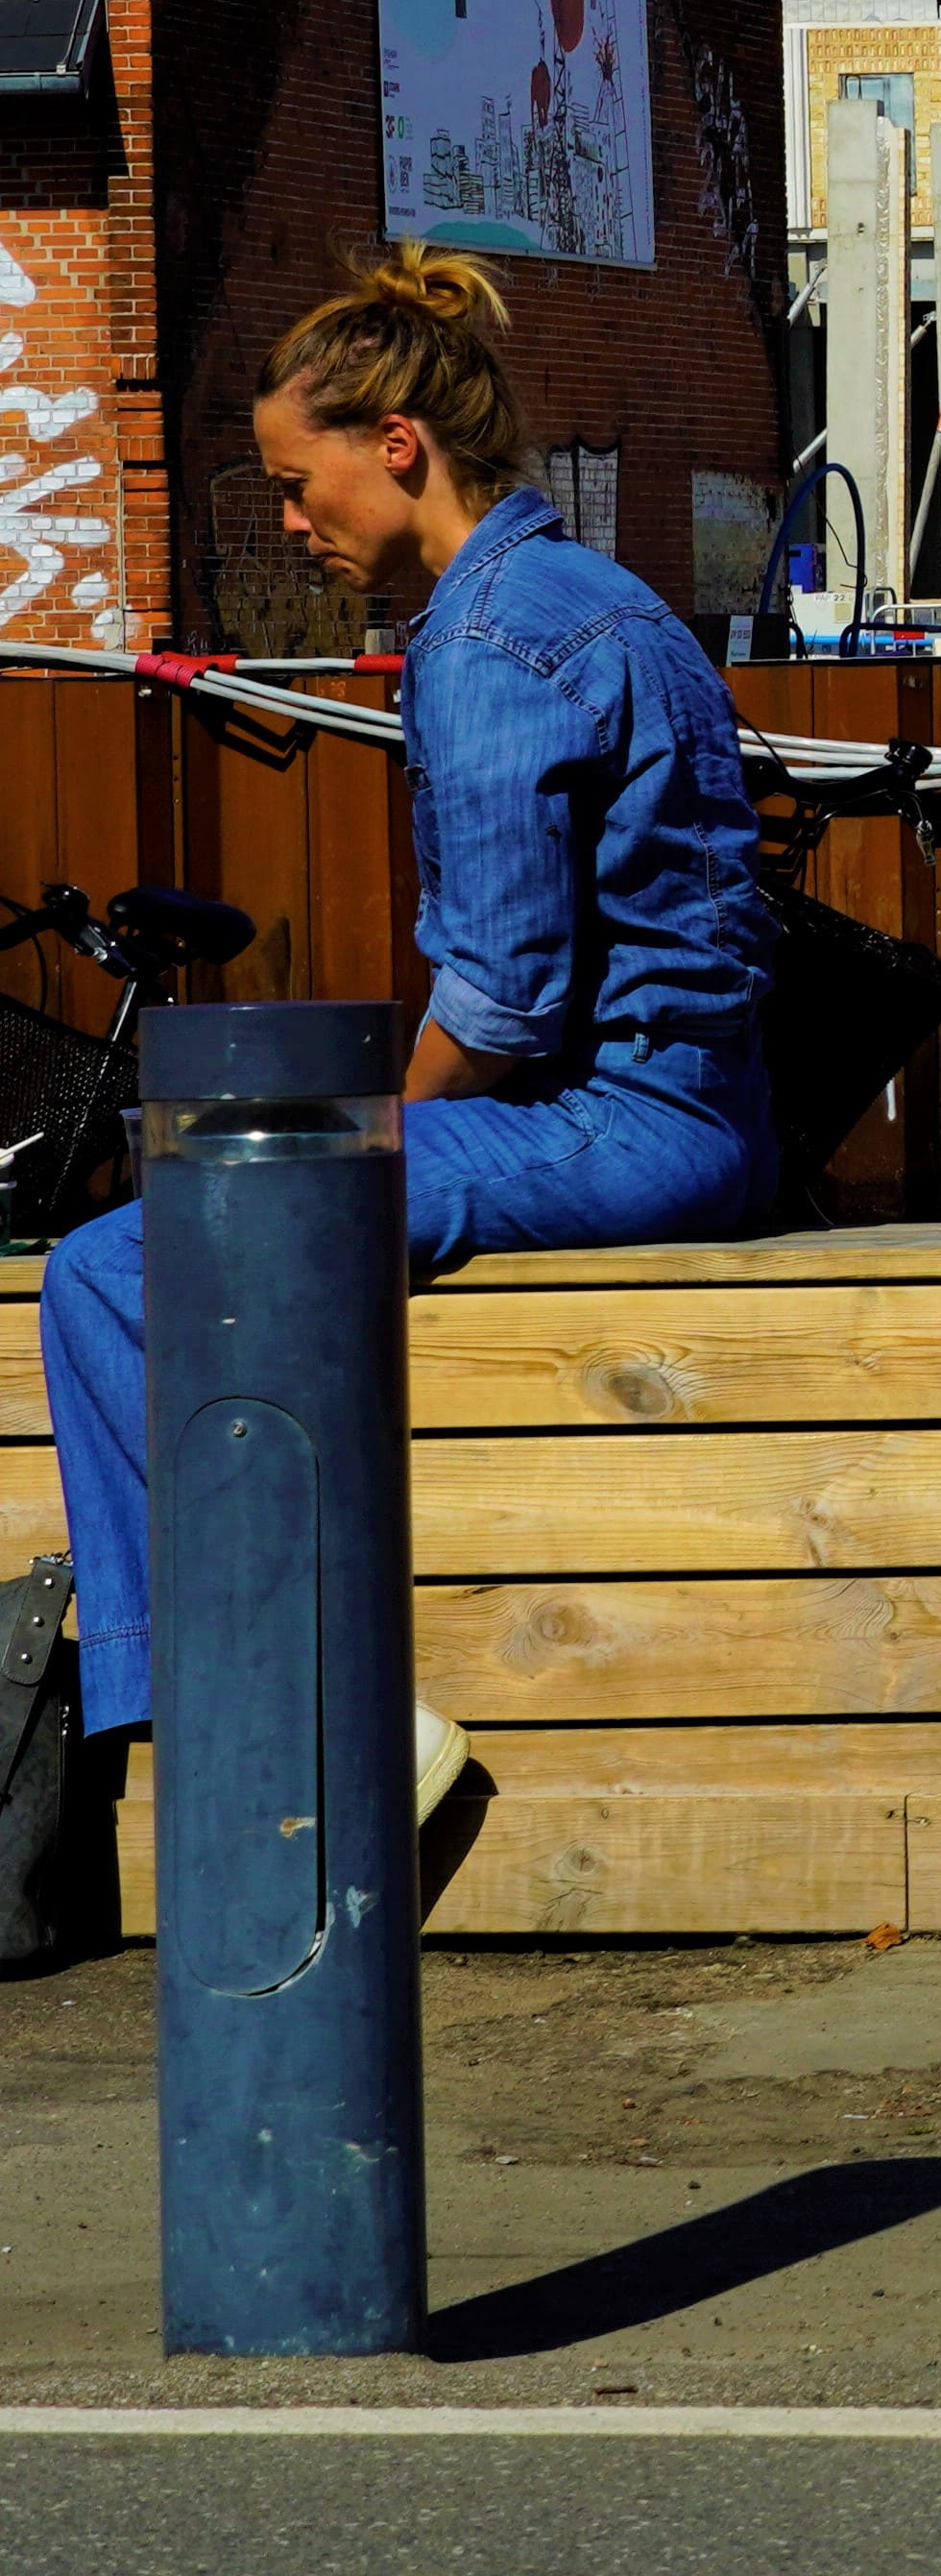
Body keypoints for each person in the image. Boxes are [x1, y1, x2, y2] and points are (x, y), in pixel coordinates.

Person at [30, 253, 775, 1846]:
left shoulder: (492, 639)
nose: (293, 524)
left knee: (105, 1269)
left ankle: (294, 1716)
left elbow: (499, 1003)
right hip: (683, 1109)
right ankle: (268, 1686)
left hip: (615, 1123)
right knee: (213, 1208)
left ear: (399, 448)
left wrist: (357, 1136)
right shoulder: (593, 595)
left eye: (300, 486)